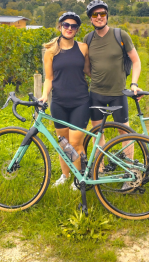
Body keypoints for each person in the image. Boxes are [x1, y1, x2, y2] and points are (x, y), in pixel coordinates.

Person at [39, 12, 90, 190]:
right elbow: (49, 78)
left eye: (73, 26)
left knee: (76, 142)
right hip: (59, 102)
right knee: (63, 142)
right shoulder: (51, 51)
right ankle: (65, 175)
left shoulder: (83, 48)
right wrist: (45, 95)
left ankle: (79, 178)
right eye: (66, 25)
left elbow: (89, 71)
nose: (69, 28)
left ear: (77, 30)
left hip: (80, 101)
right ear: (60, 26)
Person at [83, 0, 142, 152]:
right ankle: (100, 169)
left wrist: (134, 84)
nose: (99, 17)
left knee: (125, 133)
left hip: (118, 93)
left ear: (107, 16)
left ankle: (131, 170)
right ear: (91, 18)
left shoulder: (120, 35)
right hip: (96, 94)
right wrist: (98, 77)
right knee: (97, 133)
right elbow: (87, 67)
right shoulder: (87, 39)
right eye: (95, 14)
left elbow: (136, 61)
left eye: (102, 13)